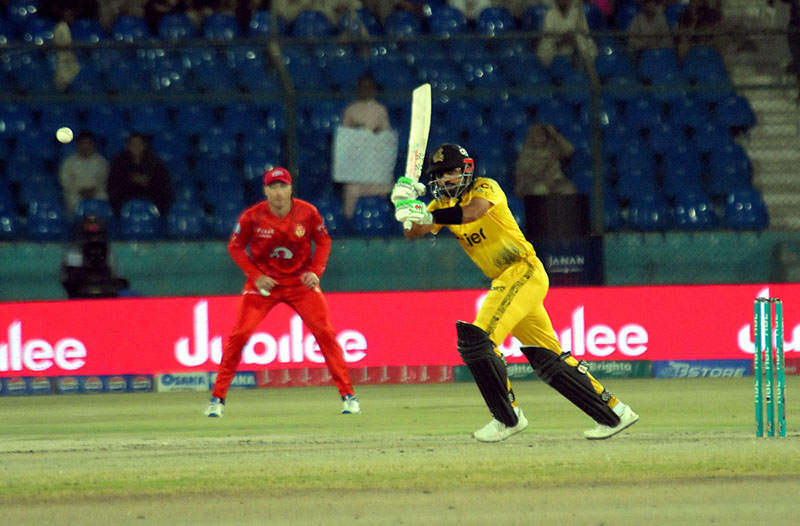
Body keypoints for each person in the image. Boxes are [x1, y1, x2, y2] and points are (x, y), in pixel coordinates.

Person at [390, 143, 638, 442]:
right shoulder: (440, 207)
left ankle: (507, 418)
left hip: (522, 271)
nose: (445, 180)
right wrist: (405, 207)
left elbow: (471, 213)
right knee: (548, 358)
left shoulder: (486, 188)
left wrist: (426, 216)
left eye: (451, 172)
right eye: (439, 175)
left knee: (477, 341)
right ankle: (614, 413)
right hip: (506, 280)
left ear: (466, 170)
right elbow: (412, 232)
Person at [205, 167, 361, 418]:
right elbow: (235, 247)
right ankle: (217, 399)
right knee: (240, 334)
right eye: (273, 187)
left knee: (325, 333)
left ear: (290, 189)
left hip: (300, 284)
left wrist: (316, 271)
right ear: (265, 191)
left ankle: (349, 396)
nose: (278, 192)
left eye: (283, 186)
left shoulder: (308, 213)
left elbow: (323, 241)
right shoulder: (252, 217)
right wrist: (256, 277)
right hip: (264, 286)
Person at [336, 73, 394, 219]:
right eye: (362, 87)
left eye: (369, 87)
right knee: (351, 191)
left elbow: (385, 134)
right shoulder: (350, 110)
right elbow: (345, 136)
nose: (365, 90)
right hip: (357, 166)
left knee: (392, 189)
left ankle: (394, 224)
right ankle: (348, 226)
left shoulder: (380, 109)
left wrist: (372, 133)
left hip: (375, 164)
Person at [60, 214, 130, 299]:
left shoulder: (110, 253)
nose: (94, 240)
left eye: (97, 235)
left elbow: (120, 281)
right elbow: (69, 283)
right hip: (80, 298)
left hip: (106, 296)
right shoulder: (73, 253)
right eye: (89, 236)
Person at [107, 132, 173, 216]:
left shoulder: (154, 162)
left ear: (144, 146)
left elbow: (162, 182)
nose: (136, 148)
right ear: (127, 146)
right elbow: (113, 182)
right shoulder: (119, 161)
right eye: (133, 144)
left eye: (139, 144)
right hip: (126, 196)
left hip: (150, 196)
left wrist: (148, 181)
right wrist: (130, 180)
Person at [514, 123, 576, 198]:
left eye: (542, 134)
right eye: (536, 134)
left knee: (569, 189)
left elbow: (570, 150)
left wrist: (554, 133)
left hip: (556, 183)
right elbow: (522, 180)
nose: (540, 136)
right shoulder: (525, 154)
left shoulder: (553, 149)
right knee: (541, 189)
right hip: (535, 185)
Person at [58, 131, 110, 217]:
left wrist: (93, 191)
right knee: (71, 200)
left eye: (88, 144)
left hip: (96, 192)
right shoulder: (68, 162)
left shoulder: (101, 162)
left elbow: (104, 179)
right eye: (82, 144)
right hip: (76, 193)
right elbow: (65, 181)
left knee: (103, 198)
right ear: (78, 145)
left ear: (93, 145)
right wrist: (80, 191)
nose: (85, 147)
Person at [536, 0, 598, 70]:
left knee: (584, 41)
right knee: (546, 45)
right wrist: (562, 38)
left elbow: (584, 32)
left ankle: (588, 70)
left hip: (575, 46)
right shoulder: (550, 14)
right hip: (557, 47)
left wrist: (573, 37)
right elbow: (548, 36)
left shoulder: (578, 14)